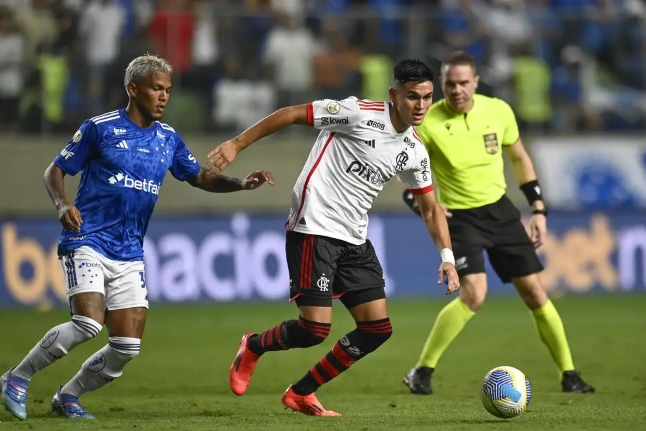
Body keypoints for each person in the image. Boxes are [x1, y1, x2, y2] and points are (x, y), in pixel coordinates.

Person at [0, 54, 274, 421]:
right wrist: (62, 204)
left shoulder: (168, 139)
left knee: (126, 347)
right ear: (133, 88)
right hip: (88, 239)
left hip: (129, 251)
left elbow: (200, 177)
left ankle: (69, 396)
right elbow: (55, 170)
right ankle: (16, 378)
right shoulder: (100, 128)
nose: (164, 97)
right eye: (156, 88)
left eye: (168, 90)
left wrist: (241, 184)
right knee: (87, 323)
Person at [206, 59, 461, 416]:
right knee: (314, 328)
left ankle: (301, 392)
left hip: (354, 238)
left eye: (427, 97)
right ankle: (253, 346)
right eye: (412, 96)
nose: (420, 106)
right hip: (314, 226)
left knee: (376, 328)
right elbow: (292, 112)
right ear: (394, 94)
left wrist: (447, 258)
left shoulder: (414, 151)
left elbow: (432, 208)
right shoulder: (357, 113)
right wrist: (237, 144)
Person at [401, 51, 595, 395]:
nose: (457, 90)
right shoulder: (427, 124)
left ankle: (570, 374)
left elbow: (519, 158)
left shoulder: (499, 111)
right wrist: (424, 208)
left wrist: (537, 208)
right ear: (442, 84)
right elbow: (407, 179)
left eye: (463, 83)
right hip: (460, 218)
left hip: (500, 212)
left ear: (476, 82)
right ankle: (422, 371)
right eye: (450, 83)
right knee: (474, 294)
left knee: (536, 294)